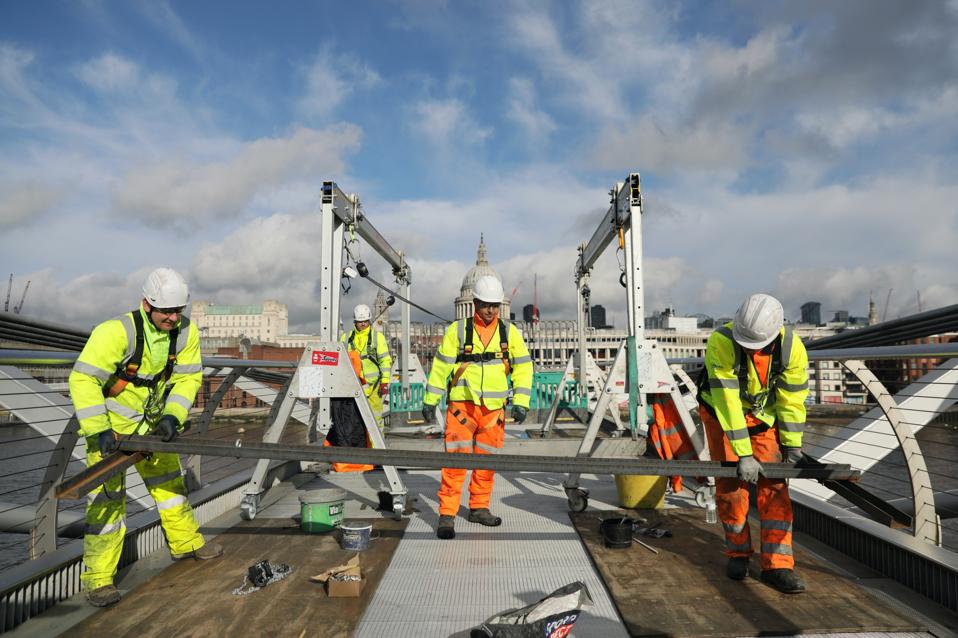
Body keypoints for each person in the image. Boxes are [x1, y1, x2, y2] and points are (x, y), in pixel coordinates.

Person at [68, 268, 222, 607]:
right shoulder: (115, 333)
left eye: (177, 311)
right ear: (145, 304)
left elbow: (187, 379)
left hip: (152, 430)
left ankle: (186, 544)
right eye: (165, 311)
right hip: (111, 433)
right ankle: (99, 580)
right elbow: (82, 380)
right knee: (106, 509)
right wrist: (99, 430)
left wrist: (172, 417)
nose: (171, 318)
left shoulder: (184, 333)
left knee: (171, 489)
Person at [697, 293, 809, 594]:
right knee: (732, 487)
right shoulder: (721, 341)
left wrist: (792, 446)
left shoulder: (791, 348)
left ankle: (779, 566)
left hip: (763, 419)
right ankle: (738, 553)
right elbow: (727, 399)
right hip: (722, 416)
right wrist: (744, 453)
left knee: (775, 487)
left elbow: (792, 399)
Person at [421, 275, 533, 539]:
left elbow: (523, 366)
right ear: (475, 303)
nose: (490, 310)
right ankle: (447, 514)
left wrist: (521, 402)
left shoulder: (509, 332)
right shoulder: (457, 331)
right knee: (455, 462)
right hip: (462, 407)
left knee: (486, 462)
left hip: (493, 411)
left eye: (494, 305)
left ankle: (479, 507)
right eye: (485, 305)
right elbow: (441, 366)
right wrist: (430, 398)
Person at [341, 304, 393, 429]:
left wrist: (385, 381)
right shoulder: (346, 338)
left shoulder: (377, 337)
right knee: (353, 423)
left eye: (365, 321)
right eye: (360, 321)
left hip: (374, 388)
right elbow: (341, 362)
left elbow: (385, 361)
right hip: (353, 387)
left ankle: (376, 447)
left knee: (375, 421)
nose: (363, 324)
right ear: (355, 321)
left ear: (369, 320)